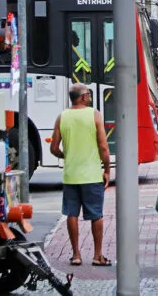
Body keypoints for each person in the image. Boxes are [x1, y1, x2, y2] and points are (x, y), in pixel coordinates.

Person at [50, 83, 112, 267]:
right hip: (92, 175)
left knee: (71, 214)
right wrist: (107, 170)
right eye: (89, 94)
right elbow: (103, 146)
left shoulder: (62, 117)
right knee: (96, 215)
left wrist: (66, 156)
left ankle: (76, 255)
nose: (90, 97)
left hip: (70, 175)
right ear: (83, 97)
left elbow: (53, 148)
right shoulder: (94, 115)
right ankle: (97, 255)